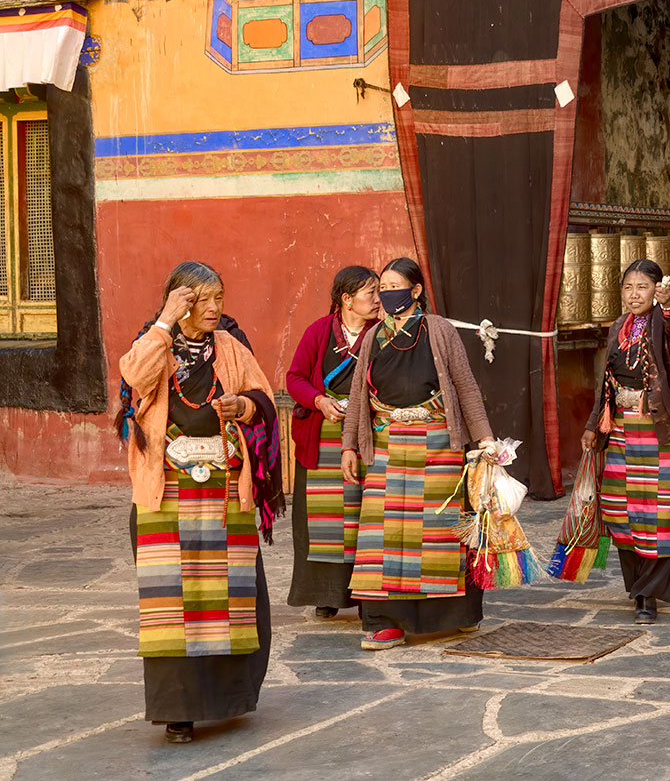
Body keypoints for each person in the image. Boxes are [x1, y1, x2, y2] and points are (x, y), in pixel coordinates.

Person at [117, 261, 282, 744]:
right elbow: (134, 377)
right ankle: (178, 711)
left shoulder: (230, 347)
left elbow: (263, 396)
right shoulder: (155, 342)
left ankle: (228, 698)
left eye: (219, 299)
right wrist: (165, 322)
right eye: (202, 300)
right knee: (173, 600)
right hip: (166, 489)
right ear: (179, 300)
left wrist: (244, 406)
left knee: (229, 597)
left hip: (225, 488)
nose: (214, 309)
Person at [340, 257, 495, 650]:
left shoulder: (440, 331)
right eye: (383, 287)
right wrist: (348, 446)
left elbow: (465, 386)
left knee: (440, 533)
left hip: (439, 442)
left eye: (395, 286)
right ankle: (384, 621)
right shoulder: (373, 336)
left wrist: (484, 439)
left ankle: (454, 615)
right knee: (381, 540)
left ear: (415, 291)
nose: (387, 294)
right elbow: (359, 395)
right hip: (387, 446)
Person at [581, 259, 670, 624]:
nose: (634, 295)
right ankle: (636, 584)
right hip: (621, 427)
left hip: (663, 431)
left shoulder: (667, 320)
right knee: (622, 509)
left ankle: (648, 595)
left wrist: (669, 305)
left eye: (643, 288)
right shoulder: (618, 327)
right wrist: (593, 425)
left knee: (658, 513)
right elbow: (606, 382)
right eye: (628, 288)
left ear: (657, 290)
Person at [285, 266, 380, 618]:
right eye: (370, 293)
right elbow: (294, 377)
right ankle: (326, 595)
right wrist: (319, 401)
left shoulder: (381, 334)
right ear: (347, 299)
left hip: (362, 434)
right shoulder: (319, 332)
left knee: (362, 516)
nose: (377, 300)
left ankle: (366, 594)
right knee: (322, 520)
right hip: (322, 436)